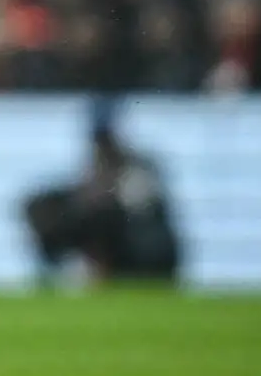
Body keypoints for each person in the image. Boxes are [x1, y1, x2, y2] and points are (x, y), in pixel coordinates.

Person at [24, 116, 181, 287]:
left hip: (144, 251)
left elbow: (138, 209)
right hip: (123, 239)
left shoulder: (137, 170)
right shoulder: (94, 172)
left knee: (100, 217)